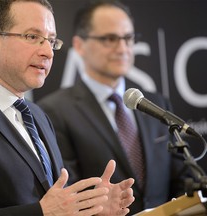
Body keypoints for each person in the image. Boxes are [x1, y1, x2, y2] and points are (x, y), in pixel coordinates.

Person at [0, 0, 136, 215]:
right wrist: (40, 213)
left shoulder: (38, 114)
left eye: (51, 41)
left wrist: (92, 209)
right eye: (32, 37)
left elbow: (58, 206)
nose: (48, 53)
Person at [38, 0, 189, 214]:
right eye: (110, 39)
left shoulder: (156, 105)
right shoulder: (53, 111)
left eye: (128, 38)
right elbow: (69, 193)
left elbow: (182, 177)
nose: (122, 48)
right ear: (79, 45)